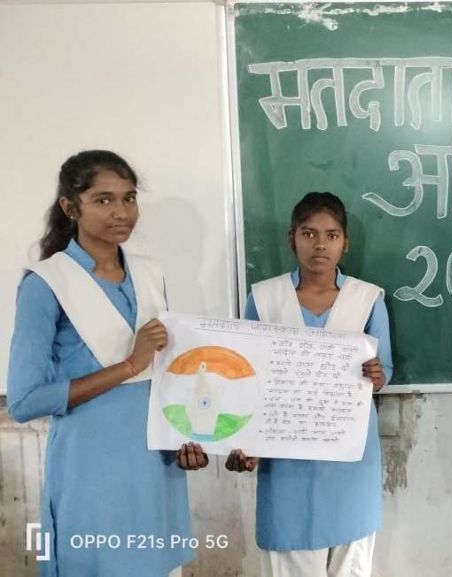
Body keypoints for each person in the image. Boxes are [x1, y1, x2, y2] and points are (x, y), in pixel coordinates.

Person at [7, 150, 208, 577]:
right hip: (92, 471)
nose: (121, 212)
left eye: (129, 198)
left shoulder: (150, 274)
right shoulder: (46, 284)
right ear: (70, 207)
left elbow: (164, 374)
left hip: (156, 468)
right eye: (103, 200)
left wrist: (185, 438)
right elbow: (24, 402)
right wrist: (129, 365)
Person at [225, 191, 392, 577]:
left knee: (351, 561)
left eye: (332, 235)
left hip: (350, 457)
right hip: (285, 459)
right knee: (290, 555)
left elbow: (383, 369)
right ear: (292, 238)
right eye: (309, 233)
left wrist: (378, 376)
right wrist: (244, 441)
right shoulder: (265, 298)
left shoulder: (367, 299)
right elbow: (245, 377)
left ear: (345, 242)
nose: (320, 245)